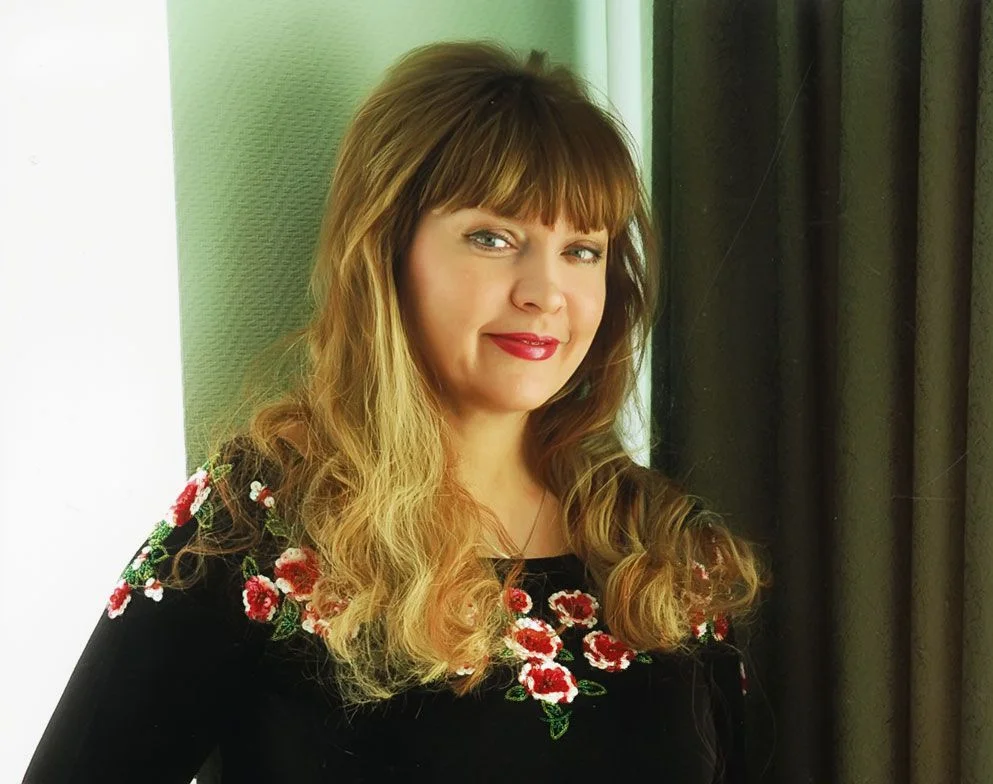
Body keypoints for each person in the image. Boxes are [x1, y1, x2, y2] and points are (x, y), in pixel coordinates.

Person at [23, 39, 767, 783]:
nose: (546, 293)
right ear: (387, 250)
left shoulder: (668, 550)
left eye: (582, 251)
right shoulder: (262, 525)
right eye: (492, 238)